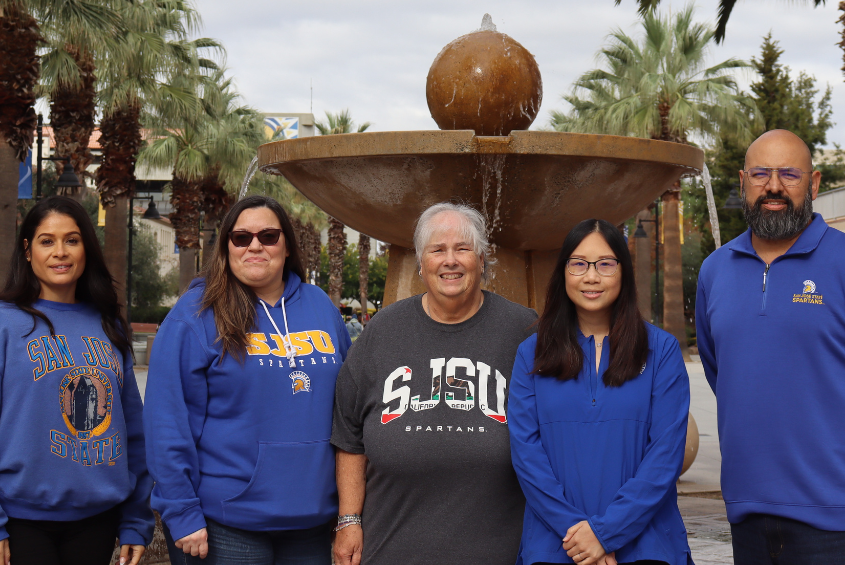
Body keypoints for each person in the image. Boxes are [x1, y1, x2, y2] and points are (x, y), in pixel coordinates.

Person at [143, 195, 351, 564]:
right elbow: (167, 420)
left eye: (268, 236)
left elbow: (351, 407)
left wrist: (350, 510)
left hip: (312, 521)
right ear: (226, 247)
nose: (254, 246)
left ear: (287, 246)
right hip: (226, 522)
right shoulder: (196, 313)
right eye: (241, 238)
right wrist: (181, 511)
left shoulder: (319, 305)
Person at [331, 202, 538, 565]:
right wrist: (349, 520)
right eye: (438, 250)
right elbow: (349, 435)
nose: (450, 261)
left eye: (463, 248)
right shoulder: (383, 332)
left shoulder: (523, 331)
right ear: (421, 263)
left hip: (500, 554)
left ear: (481, 259)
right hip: (391, 552)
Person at [696, 129, 845, 563]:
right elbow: (720, 371)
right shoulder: (714, 270)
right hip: (747, 511)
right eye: (761, 174)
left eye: (789, 174)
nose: (774, 186)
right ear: (743, 181)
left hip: (833, 515)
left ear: (814, 184)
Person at [509, 219, 692, 565]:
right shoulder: (532, 354)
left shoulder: (661, 351)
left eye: (605, 264)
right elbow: (526, 456)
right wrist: (581, 537)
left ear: (623, 272)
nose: (591, 276)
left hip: (647, 545)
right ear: (563, 273)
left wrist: (606, 533)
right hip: (556, 546)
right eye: (578, 264)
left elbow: (665, 455)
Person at [0, 196, 153, 565]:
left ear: (86, 249)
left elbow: (133, 431)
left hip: (97, 519)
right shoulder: (5, 323)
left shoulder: (109, 325)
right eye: (47, 241)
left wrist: (136, 519)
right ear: (27, 250)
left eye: (72, 240)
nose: (60, 252)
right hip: (20, 520)